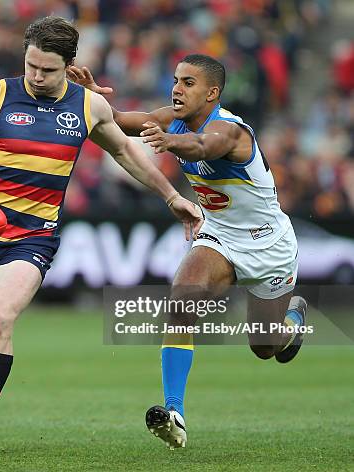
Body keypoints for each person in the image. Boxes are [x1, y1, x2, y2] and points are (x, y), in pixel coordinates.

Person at [0, 17, 203, 463]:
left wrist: (172, 196)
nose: (36, 76)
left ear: (69, 65)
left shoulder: (88, 107)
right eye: (31, 65)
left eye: (47, 70)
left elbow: (126, 152)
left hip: (32, 237)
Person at [67, 54, 307, 449]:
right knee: (182, 300)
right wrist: (92, 98)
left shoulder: (232, 132)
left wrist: (169, 142)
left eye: (189, 83)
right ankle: (174, 412)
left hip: (271, 248)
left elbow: (199, 147)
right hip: (221, 237)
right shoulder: (169, 119)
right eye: (177, 79)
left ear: (212, 92)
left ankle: (292, 324)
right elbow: (118, 120)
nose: (177, 88)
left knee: (265, 347)